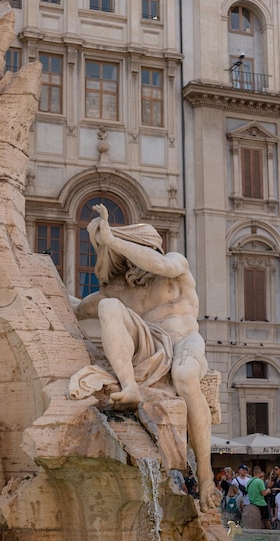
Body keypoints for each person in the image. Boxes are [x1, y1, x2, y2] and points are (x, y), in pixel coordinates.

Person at [70, 204, 219, 512]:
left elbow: (160, 266)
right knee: (108, 307)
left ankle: (205, 473)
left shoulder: (173, 263)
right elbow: (75, 308)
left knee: (185, 376)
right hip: (151, 346)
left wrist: (111, 239)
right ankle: (130, 386)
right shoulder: (118, 291)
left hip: (185, 342)